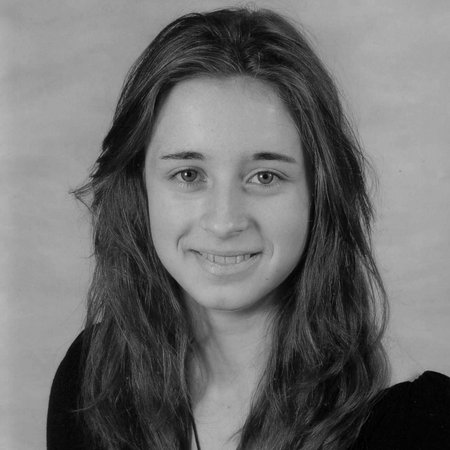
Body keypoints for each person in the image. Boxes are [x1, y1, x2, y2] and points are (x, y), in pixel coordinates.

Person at [47, 7, 450, 450]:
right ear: (138, 189)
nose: (224, 222)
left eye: (265, 176)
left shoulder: (422, 425)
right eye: (188, 175)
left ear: (320, 192)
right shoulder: (90, 380)